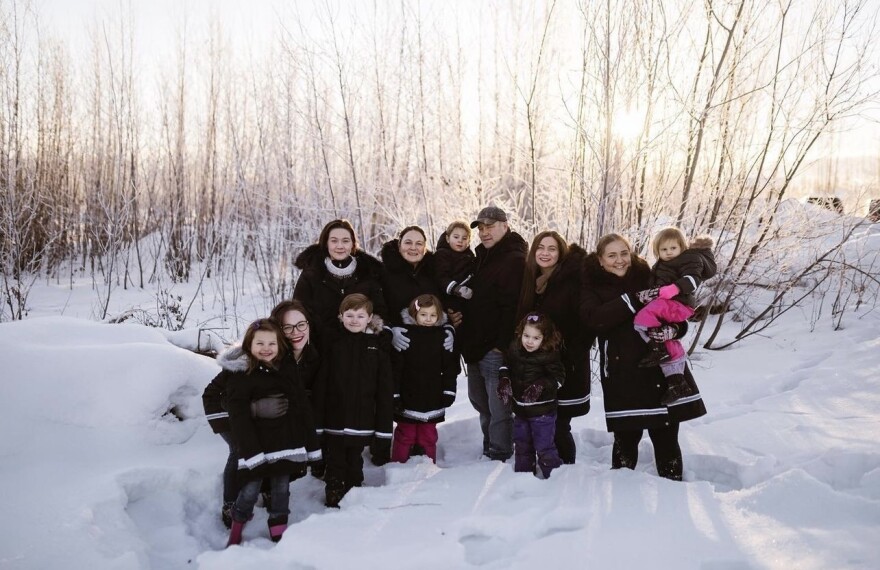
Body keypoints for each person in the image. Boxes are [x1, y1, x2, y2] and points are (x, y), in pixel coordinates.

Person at [580, 233, 706, 480]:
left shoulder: (651, 276)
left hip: (659, 368)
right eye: (612, 255)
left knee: (666, 437)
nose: (620, 260)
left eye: (624, 253)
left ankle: (673, 492)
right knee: (626, 440)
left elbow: (676, 311)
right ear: (600, 260)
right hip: (622, 372)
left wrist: (674, 330)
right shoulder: (591, 285)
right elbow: (595, 319)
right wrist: (634, 299)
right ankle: (622, 497)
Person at [224, 319, 321, 547]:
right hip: (255, 445)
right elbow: (237, 416)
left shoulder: (287, 368)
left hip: (286, 442)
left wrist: (312, 444)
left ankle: (278, 530)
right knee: (250, 489)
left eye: (272, 343)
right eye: (260, 343)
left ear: (280, 345)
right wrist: (251, 451)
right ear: (249, 344)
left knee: (281, 489)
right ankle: (237, 526)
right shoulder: (241, 373)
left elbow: (301, 406)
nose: (266, 348)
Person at [515, 230, 592, 464]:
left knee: (559, 424)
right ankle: (547, 466)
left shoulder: (573, 279)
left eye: (552, 249)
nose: (545, 253)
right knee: (541, 421)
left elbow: (586, 324)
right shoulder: (532, 280)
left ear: (561, 252)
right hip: (537, 367)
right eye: (540, 247)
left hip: (566, 365)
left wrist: (568, 354)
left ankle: (564, 468)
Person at [312, 294, 394, 508]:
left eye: (360, 315)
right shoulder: (333, 344)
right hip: (335, 419)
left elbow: (384, 389)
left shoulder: (376, 347)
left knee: (354, 460)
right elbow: (322, 384)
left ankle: (354, 492)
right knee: (336, 459)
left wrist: (383, 430)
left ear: (369, 318)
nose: (354, 320)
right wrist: (318, 425)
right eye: (349, 315)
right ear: (341, 317)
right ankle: (334, 491)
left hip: (362, 419)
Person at [459, 205, 527, 461]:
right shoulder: (484, 257)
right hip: (476, 344)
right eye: (481, 228)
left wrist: (501, 345)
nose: (485, 232)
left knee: (498, 407)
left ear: (505, 226)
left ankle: (500, 452)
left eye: (491, 226)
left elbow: (513, 307)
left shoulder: (513, 259)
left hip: (494, 347)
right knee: (480, 401)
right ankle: (489, 445)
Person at [202, 344, 292, 529]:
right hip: (221, 410)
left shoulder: (276, 360)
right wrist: (252, 408)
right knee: (239, 450)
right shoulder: (241, 364)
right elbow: (220, 396)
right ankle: (230, 503)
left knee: (264, 445)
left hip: (244, 412)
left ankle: (265, 488)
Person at [634, 228, 716, 404]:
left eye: (673, 248)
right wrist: (648, 293)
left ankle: (658, 349)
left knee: (641, 320)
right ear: (657, 252)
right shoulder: (659, 266)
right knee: (663, 336)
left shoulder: (690, 259)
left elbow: (693, 279)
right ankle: (677, 382)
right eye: (664, 250)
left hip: (679, 303)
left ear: (682, 247)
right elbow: (656, 287)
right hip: (668, 305)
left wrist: (674, 289)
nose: (669, 252)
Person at [293, 219, 388, 344]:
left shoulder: (368, 272)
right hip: (322, 347)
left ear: (353, 244)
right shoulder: (312, 273)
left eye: (345, 241)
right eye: (334, 241)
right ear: (326, 243)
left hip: (360, 347)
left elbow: (379, 311)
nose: (340, 246)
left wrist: (372, 331)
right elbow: (298, 310)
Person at [391, 294, 459, 463]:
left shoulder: (443, 337)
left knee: (428, 435)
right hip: (408, 395)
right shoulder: (405, 336)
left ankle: (428, 465)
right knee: (405, 433)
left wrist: (449, 390)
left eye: (433, 315)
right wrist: (395, 394)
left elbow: (450, 367)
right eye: (423, 315)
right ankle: (398, 465)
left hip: (432, 395)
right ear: (414, 314)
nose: (428, 319)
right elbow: (396, 369)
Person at [497, 312, 566, 478]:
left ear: (545, 338)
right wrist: (504, 379)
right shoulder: (514, 349)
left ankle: (554, 477)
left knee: (544, 446)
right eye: (526, 335)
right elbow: (506, 366)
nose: (529, 341)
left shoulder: (549, 355)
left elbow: (559, 378)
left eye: (536, 338)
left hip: (543, 413)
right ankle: (524, 476)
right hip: (520, 410)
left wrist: (540, 386)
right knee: (522, 445)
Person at [270, 299, 324, 478]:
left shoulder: (315, 357)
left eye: (301, 325)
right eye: (287, 327)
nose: (296, 332)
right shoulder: (268, 357)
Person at [433, 220, 476, 315]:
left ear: (469, 241)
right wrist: (456, 288)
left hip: (467, 300)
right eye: (456, 237)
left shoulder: (470, 257)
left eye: (464, 238)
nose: (460, 240)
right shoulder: (442, 255)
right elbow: (440, 277)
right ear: (448, 239)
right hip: (449, 297)